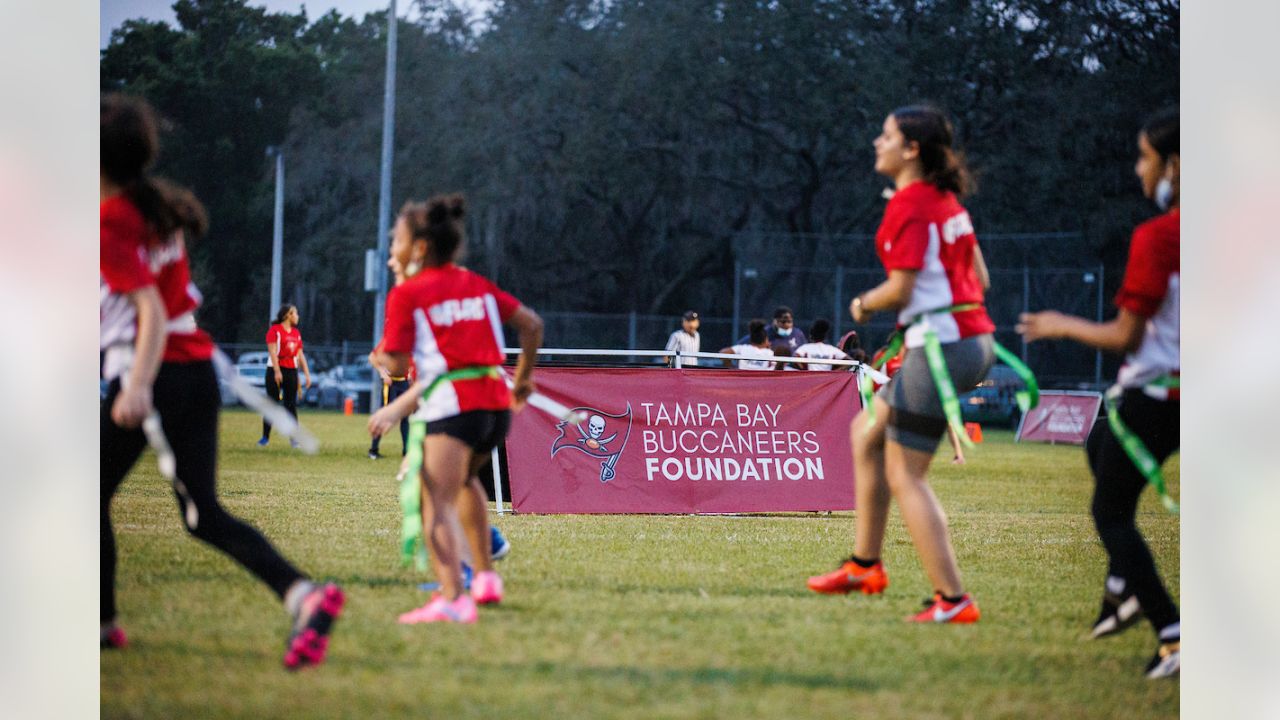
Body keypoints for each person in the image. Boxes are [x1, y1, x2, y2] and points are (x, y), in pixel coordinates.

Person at [100, 93, 342, 668]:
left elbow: (152, 312)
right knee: (202, 512)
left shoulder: (114, 217)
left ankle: (102, 623)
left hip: (154, 373)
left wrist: (136, 385)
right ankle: (303, 596)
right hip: (195, 373)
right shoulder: (153, 210)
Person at [806, 104, 995, 623]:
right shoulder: (946, 202)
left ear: (911, 148)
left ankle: (953, 600)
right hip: (970, 341)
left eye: (886, 136)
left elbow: (901, 287)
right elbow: (979, 278)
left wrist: (863, 304)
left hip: (945, 347)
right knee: (866, 433)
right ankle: (865, 566)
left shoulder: (911, 204)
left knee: (906, 474)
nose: (877, 143)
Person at [1018, 108, 1180, 679]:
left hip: (1162, 395)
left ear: (1176, 166)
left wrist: (1060, 323)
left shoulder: (1161, 236)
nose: (1139, 169)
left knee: (1109, 512)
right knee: (1099, 442)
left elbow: (1123, 336)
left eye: (1145, 157)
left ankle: (1171, 632)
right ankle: (1122, 586)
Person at [369, 194, 543, 625]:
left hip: (454, 410)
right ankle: (484, 579)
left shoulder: (409, 294)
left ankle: (452, 597)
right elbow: (532, 325)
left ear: (420, 248)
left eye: (397, 240)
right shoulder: (475, 283)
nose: (393, 247)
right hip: (494, 407)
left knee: (434, 502)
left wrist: (378, 359)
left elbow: (396, 365)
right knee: (467, 483)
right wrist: (522, 380)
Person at [258, 304, 311, 447]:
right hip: (275, 369)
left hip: (290, 371)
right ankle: (265, 438)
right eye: (295, 313)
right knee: (272, 403)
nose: (297, 316)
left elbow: (300, 355)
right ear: (288, 315)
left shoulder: (296, 333)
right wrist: (276, 371)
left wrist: (306, 374)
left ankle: (294, 439)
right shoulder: (274, 331)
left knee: (290, 405)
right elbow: (273, 352)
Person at [368, 339, 414, 460]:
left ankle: (406, 451)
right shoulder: (391, 339)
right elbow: (372, 357)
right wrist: (383, 373)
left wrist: (411, 374)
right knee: (384, 416)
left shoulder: (412, 340)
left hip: (404, 383)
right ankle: (373, 450)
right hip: (391, 383)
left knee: (406, 417)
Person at [735, 306, 807, 353]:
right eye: (783, 322)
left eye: (789, 322)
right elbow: (742, 345)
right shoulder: (764, 333)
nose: (786, 324)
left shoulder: (798, 334)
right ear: (775, 321)